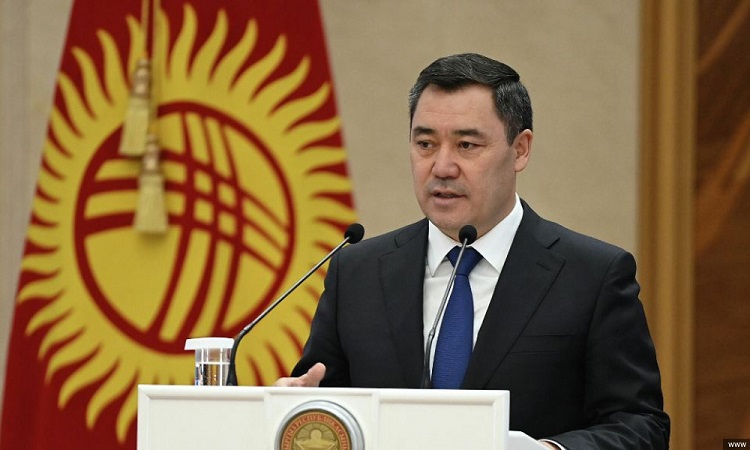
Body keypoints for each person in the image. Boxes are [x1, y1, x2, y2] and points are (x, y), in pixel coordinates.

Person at [276, 53, 670, 449]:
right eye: (425, 144)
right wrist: (293, 406)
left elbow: (640, 425)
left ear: (520, 149)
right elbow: (323, 407)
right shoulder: (357, 272)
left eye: (466, 145)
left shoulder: (592, 275)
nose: (442, 167)